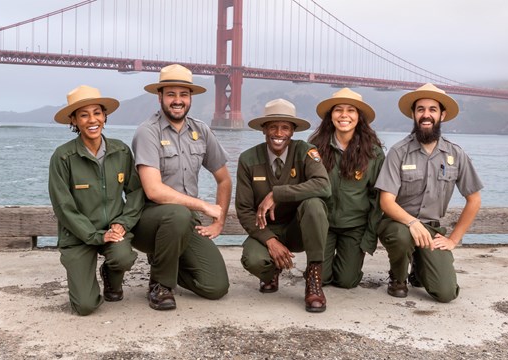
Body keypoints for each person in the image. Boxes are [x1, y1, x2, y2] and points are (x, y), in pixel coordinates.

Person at [131, 64, 231, 311]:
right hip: (150, 222)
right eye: (171, 94)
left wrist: (219, 221)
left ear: (190, 98)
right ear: (160, 97)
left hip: (187, 223)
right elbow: (154, 191)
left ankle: (164, 260)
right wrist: (203, 206)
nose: (178, 101)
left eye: (183, 95)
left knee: (216, 287)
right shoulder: (148, 132)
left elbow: (224, 179)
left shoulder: (201, 130)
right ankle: (160, 285)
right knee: (177, 213)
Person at [375, 83, 483, 302]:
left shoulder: (456, 153)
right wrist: (412, 223)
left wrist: (453, 239)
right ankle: (397, 278)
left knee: (446, 294)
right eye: (420, 109)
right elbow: (386, 202)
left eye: (432, 110)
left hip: (431, 231)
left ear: (442, 114)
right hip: (399, 224)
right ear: (414, 115)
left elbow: (474, 199)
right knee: (400, 235)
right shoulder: (398, 151)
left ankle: (419, 268)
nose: (426, 115)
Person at [48, 85, 144, 316]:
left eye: (97, 113)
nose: (92, 120)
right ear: (73, 120)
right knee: (85, 307)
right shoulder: (62, 157)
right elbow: (64, 207)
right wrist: (95, 235)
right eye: (84, 114)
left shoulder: (121, 151)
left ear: (105, 116)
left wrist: (123, 222)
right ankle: (85, 280)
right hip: (79, 236)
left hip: (113, 230)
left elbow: (135, 191)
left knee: (123, 257)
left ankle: (110, 276)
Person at [236, 98, 331, 313]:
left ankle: (314, 277)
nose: (279, 133)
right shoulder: (248, 159)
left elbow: (324, 186)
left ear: (293, 131)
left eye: (285, 127)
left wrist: (278, 194)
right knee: (252, 260)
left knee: (314, 205)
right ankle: (272, 272)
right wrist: (270, 240)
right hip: (266, 229)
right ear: (263, 129)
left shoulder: (306, 151)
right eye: (273, 127)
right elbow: (243, 210)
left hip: (298, 228)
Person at [309, 88, 385, 289]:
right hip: (323, 225)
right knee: (321, 279)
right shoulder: (314, 148)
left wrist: (369, 239)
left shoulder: (373, 153)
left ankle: (347, 262)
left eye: (351, 110)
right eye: (338, 110)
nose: (344, 115)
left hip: (355, 226)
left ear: (359, 117)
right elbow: (305, 188)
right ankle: (323, 261)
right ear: (330, 116)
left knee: (346, 281)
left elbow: (378, 199)